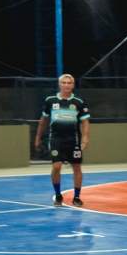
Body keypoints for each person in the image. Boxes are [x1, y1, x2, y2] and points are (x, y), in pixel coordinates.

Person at [34, 74, 91, 207]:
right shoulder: (50, 100)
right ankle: (58, 195)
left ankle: (77, 197)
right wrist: (38, 137)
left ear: (73, 85)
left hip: (74, 140)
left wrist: (85, 137)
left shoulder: (79, 102)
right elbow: (43, 121)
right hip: (56, 139)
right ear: (60, 84)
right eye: (64, 82)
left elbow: (85, 121)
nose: (66, 85)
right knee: (56, 166)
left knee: (76, 167)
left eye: (69, 83)